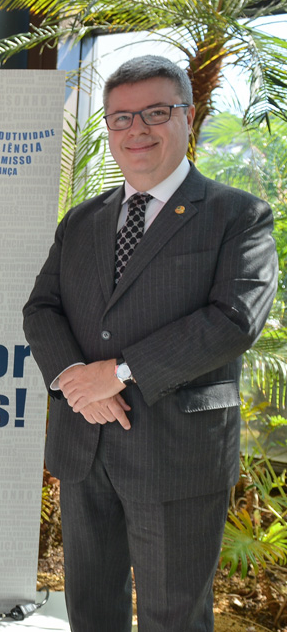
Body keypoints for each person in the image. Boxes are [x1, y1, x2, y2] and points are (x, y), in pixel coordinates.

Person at [23, 54, 278, 631]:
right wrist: (74, 379)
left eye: (155, 112)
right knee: (91, 610)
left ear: (188, 117)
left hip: (177, 452)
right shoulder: (82, 220)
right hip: (85, 444)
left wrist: (117, 372)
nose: (136, 130)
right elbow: (42, 308)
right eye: (120, 118)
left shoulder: (239, 216)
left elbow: (235, 318)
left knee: (173, 617)